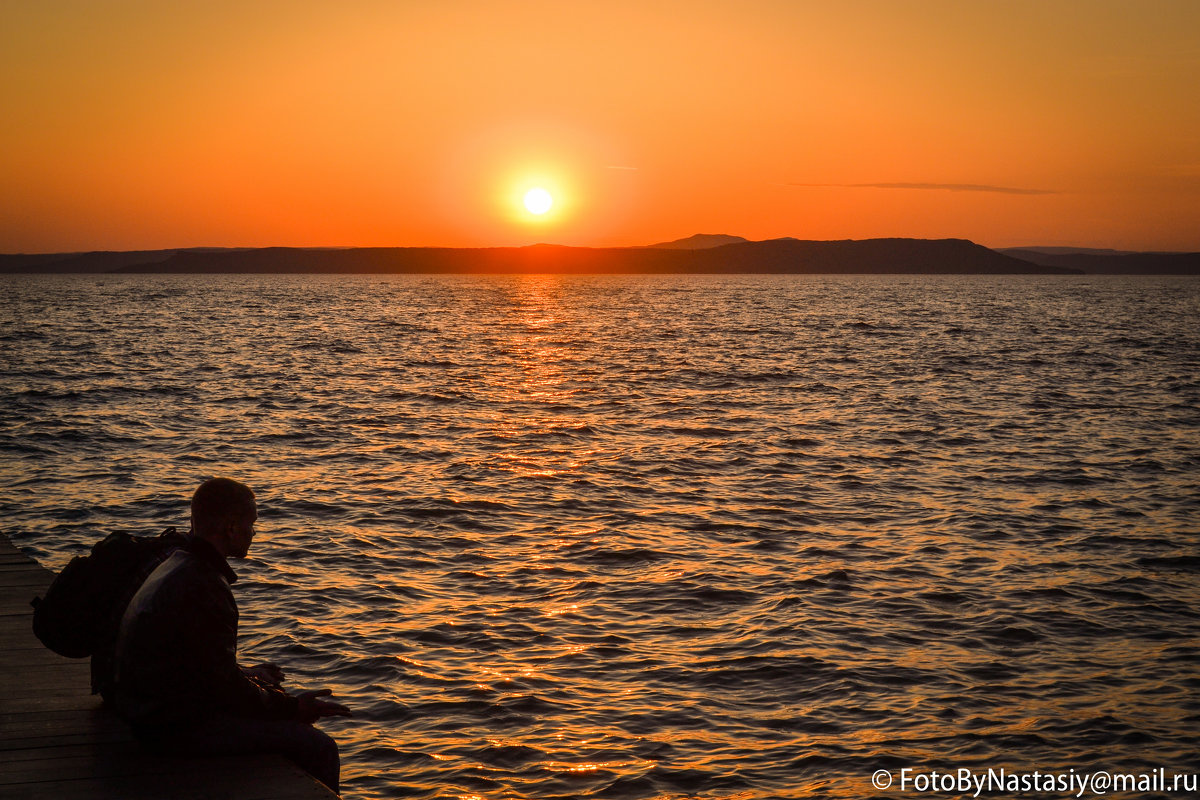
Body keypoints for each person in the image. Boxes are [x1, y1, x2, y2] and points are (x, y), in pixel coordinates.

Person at [112, 478, 350, 794]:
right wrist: (292, 708)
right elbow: (224, 690)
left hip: (147, 711)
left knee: (268, 693)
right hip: (172, 729)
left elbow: (197, 664)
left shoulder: (175, 564)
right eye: (252, 525)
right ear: (230, 527)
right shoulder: (205, 586)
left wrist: (250, 676)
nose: (254, 533)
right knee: (319, 747)